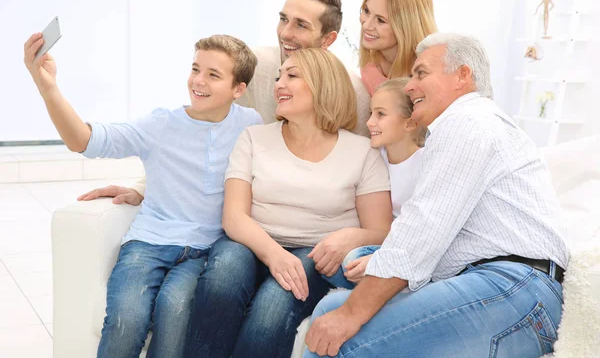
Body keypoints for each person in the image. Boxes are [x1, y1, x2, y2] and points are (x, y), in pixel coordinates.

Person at [303, 33, 569, 358]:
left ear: (462, 76)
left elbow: (422, 229)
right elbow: (439, 238)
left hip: (514, 290)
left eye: (421, 73)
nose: (410, 86)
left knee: (337, 323)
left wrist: (350, 315)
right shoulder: (474, 124)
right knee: (343, 283)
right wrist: (379, 261)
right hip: (511, 288)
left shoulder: (466, 122)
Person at [23, 33, 262, 358]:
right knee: (126, 320)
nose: (198, 81)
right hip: (148, 244)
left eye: (213, 74)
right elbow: (84, 140)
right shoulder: (161, 124)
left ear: (239, 89)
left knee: (174, 311)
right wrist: (47, 86)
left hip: (202, 250)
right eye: (195, 69)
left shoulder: (250, 125)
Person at [77, 0, 373, 208]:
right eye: (283, 18)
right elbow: (203, 130)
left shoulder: (353, 94)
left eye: (300, 25)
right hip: (242, 209)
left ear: (328, 39)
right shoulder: (254, 67)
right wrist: (144, 189)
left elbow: (361, 174)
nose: (285, 33)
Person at [184, 48, 393, 358]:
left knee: (270, 312)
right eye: (279, 76)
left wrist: (350, 237)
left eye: (292, 76)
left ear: (324, 85)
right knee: (222, 280)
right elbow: (234, 217)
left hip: (313, 253)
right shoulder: (253, 138)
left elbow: (381, 229)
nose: (279, 83)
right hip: (250, 243)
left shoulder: (363, 152)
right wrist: (274, 255)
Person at [324, 78, 427, 289]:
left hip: (409, 248)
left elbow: (424, 231)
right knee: (339, 263)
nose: (370, 122)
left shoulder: (426, 164)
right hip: (379, 243)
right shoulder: (371, 156)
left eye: (380, 114)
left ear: (410, 123)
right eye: (371, 113)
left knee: (355, 258)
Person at [358, 0, 438, 96]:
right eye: (366, 11)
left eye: (380, 20)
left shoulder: (430, 72)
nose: (366, 26)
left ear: (406, 27)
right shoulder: (370, 69)